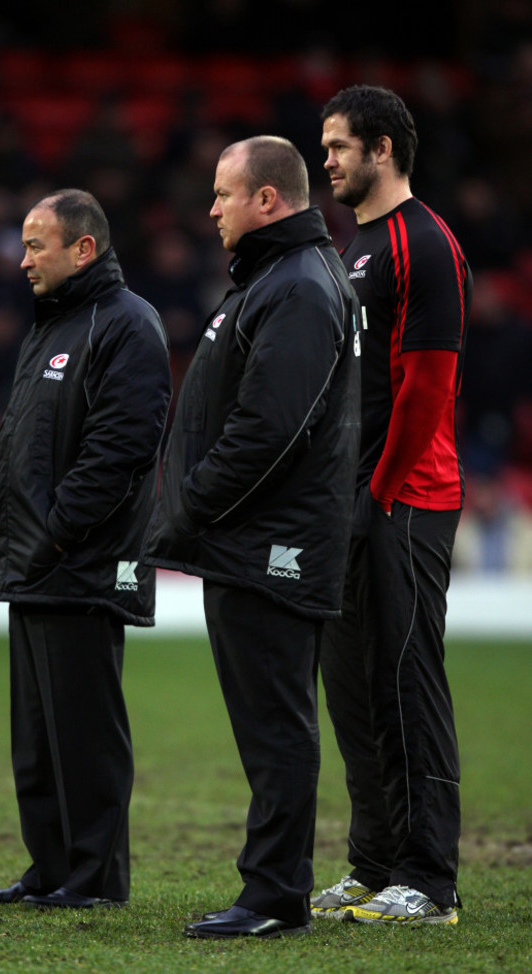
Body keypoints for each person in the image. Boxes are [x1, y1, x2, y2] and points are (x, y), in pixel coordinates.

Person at [143, 136, 361, 938]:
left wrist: (191, 504)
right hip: (256, 538)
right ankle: (273, 887)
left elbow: (270, 427)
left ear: (267, 200)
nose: (211, 208)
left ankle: (273, 895)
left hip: (270, 543)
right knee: (271, 721)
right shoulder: (282, 276)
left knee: (276, 724)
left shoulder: (298, 285)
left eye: (223, 193)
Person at [0, 189, 172, 909]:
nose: (23, 260)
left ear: (83, 248)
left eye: (36, 245)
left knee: (84, 734)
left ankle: (94, 879)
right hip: (36, 561)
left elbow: (121, 451)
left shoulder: (127, 325)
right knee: (37, 740)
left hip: (79, 561)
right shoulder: (54, 325)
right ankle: (51, 868)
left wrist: (55, 530)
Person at [314, 85, 472, 925]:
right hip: (356, 500)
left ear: (380, 148)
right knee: (354, 685)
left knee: (409, 682)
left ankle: (433, 881)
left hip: (406, 498)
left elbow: (427, 389)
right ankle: (375, 863)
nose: (326, 161)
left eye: (337, 146)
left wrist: (376, 493)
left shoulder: (426, 244)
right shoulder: (357, 247)